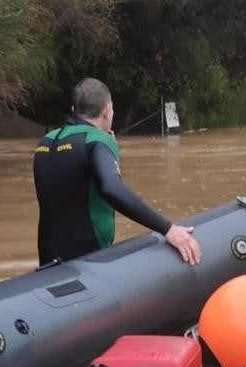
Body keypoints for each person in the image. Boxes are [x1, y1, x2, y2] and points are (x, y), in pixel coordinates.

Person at [33, 78, 201, 266]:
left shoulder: (45, 143)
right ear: (106, 110)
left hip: (48, 265)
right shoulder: (97, 140)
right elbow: (111, 187)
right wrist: (168, 229)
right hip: (88, 263)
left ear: (74, 110)